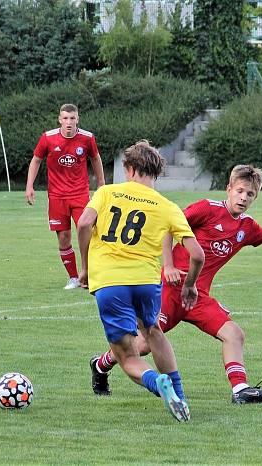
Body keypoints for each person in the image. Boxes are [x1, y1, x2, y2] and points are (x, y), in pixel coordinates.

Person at [89, 165, 262, 404]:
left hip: (198, 296)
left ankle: (240, 390)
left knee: (234, 334)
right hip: (172, 290)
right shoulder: (206, 209)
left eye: (250, 194)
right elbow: (169, 229)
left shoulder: (247, 226)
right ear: (229, 189)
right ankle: (101, 365)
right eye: (240, 191)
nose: (243, 198)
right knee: (142, 345)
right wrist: (168, 266)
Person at [78, 140, 205, 422]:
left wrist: (85, 269)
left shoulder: (107, 192)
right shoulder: (167, 205)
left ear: (128, 168)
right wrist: (190, 285)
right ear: (156, 173)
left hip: (111, 283)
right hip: (146, 282)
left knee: (127, 356)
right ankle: (180, 394)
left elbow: (85, 223)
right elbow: (197, 254)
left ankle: (157, 383)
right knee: (153, 331)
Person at [26, 103, 106, 290]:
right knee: (63, 237)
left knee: (87, 234)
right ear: (59, 119)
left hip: (80, 195)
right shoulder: (48, 138)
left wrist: (101, 184)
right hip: (56, 196)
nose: (68, 122)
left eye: (72, 118)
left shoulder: (87, 138)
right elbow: (36, 159)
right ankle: (74, 278)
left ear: (77, 119)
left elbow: (95, 158)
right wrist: (29, 186)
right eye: (65, 118)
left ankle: (90, 274)